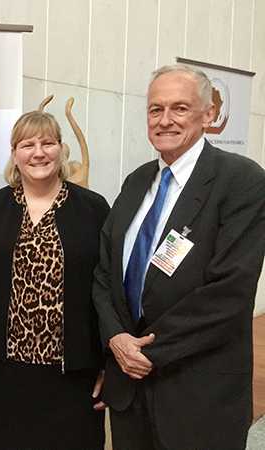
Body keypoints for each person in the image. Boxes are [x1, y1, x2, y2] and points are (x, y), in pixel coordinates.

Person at [93, 64, 265, 450]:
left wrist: (149, 351)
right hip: (130, 388)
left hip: (198, 392)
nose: (165, 120)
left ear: (208, 115)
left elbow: (230, 291)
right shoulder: (137, 180)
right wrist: (117, 338)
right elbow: (105, 272)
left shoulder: (241, 181)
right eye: (156, 109)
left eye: (180, 108)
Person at [0, 110, 110, 450]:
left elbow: (107, 288)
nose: (39, 152)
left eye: (48, 143)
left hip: (72, 370)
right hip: (5, 369)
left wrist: (108, 363)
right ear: (15, 153)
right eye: (27, 144)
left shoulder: (93, 208)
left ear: (62, 149)